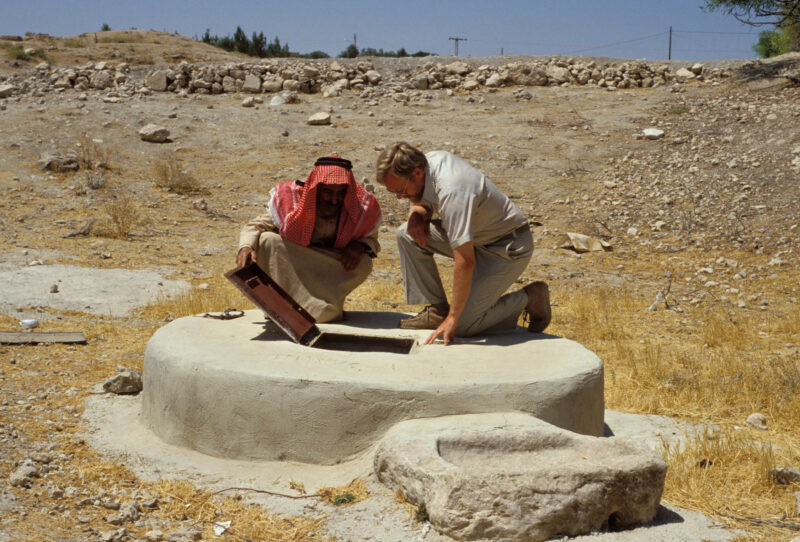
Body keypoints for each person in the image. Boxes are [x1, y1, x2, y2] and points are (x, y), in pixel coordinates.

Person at [375, 142, 550, 345]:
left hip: (507, 247)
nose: (399, 197)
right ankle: (437, 311)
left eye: (402, 191)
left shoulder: (453, 191)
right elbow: (423, 198)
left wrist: (454, 317)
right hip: (478, 238)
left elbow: (465, 261)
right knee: (406, 234)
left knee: (464, 326)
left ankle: (530, 297)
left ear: (416, 173)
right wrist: (417, 212)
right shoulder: (427, 162)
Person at [237, 156, 381, 323]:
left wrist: (360, 245)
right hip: (295, 262)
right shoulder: (292, 202)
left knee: (364, 261)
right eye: (327, 192)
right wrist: (246, 247)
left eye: (340, 194)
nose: (334, 200)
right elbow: (254, 226)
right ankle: (282, 304)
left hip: (328, 265)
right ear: (316, 189)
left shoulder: (360, 208)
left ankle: (321, 306)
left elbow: (372, 241)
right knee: (267, 240)